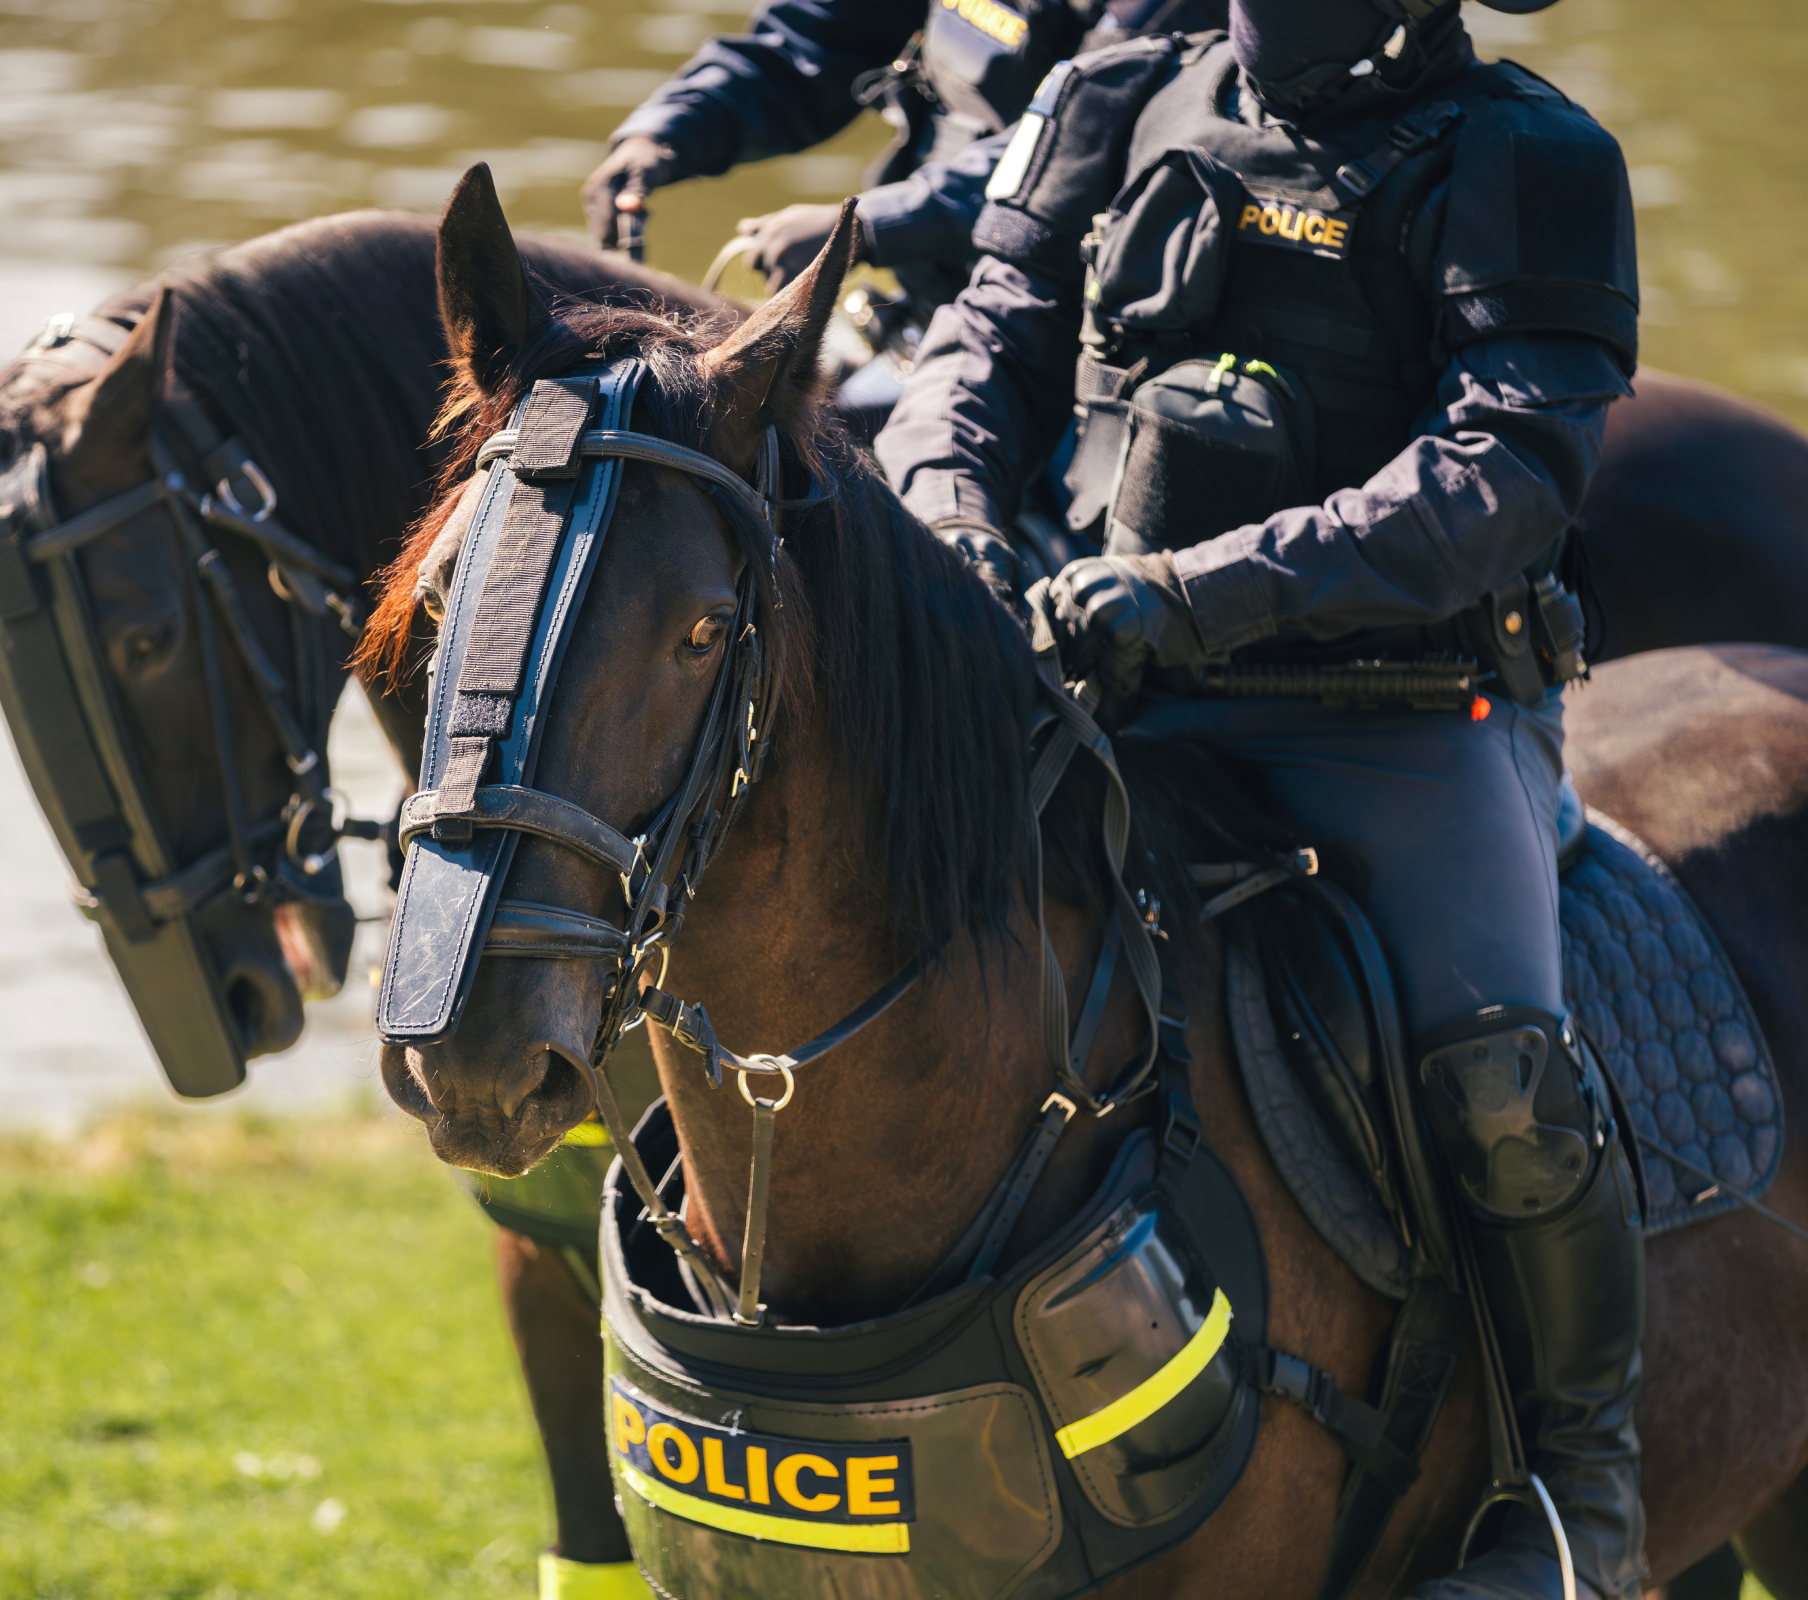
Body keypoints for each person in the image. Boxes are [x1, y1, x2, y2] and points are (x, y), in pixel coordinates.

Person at [875, 2, 1646, 1597]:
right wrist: (947, 510)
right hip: (1091, 679)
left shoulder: (1529, 155)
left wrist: (1192, 593)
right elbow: (982, 337)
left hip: (1403, 712)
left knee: (1500, 1082)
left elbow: (1496, 480)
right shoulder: (1108, 94)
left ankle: (1581, 1494)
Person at [582, 0, 1225, 311]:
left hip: (1067, 330)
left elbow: (1096, 143)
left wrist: (870, 226)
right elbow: (807, 47)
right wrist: (662, 134)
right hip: (924, 298)